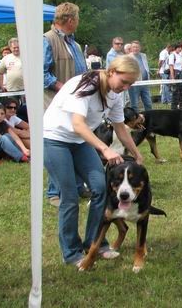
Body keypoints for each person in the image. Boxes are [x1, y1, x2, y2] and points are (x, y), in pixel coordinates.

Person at [43, 55, 143, 268]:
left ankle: (94, 243)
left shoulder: (115, 94)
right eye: (124, 81)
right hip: (55, 139)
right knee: (69, 197)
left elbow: (119, 126)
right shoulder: (86, 85)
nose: (125, 87)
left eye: (130, 84)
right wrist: (105, 149)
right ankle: (71, 252)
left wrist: (137, 154)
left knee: (101, 188)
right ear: (111, 71)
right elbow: (78, 124)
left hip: (80, 141)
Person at [43, 2, 88, 206]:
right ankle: (55, 192)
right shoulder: (47, 40)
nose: (78, 22)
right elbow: (42, 74)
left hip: (76, 103)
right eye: (77, 18)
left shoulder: (75, 44)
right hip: (55, 103)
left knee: (77, 143)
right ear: (70, 20)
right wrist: (64, 88)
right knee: (57, 145)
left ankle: (78, 187)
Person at [127, 40, 152, 111]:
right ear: (131, 48)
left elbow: (146, 67)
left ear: (140, 48)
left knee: (148, 103)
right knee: (134, 105)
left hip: (145, 83)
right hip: (134, 84)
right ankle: (135, 120)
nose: (135, 49)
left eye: (137, 47)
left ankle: (149, 118)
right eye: (134, 47)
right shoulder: (128, 57)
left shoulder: (144, 55)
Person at [168, 42, 182, 110]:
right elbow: (171, 66)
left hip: (181, 74)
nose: (180, 49)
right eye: (178, 47)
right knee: (175, 93)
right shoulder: (172, 55)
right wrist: (173, 78)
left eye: (181, 47)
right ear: (175, 48)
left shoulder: (180, 55)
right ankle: (173, 109)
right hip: (175, 74)